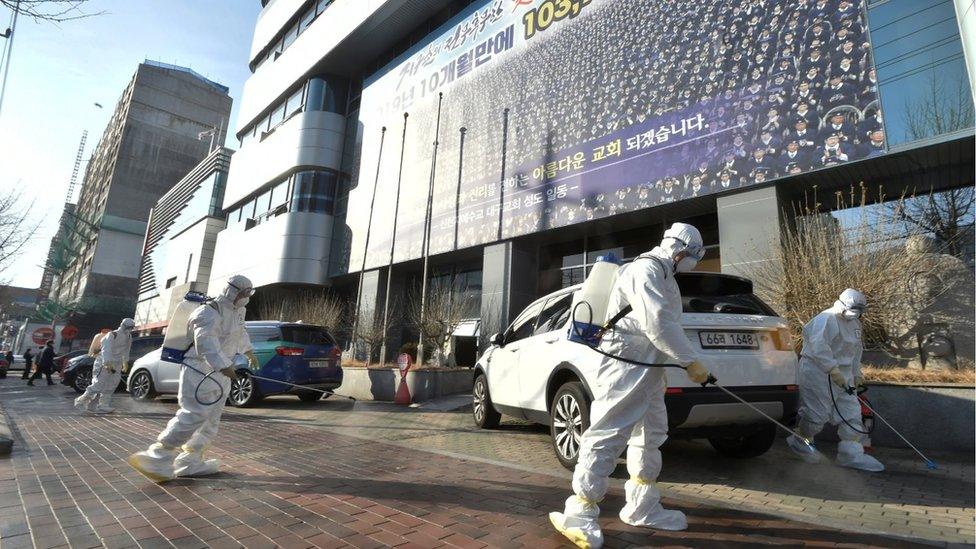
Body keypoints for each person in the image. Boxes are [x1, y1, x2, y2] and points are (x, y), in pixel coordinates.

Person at [550, 223, 714, 548]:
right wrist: (689, 361)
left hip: (647, 365)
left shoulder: (665, 273)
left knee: (651, 432)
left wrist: (679, 361)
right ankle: (579, 511)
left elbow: (662, 324)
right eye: (694, 257)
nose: (692, 263)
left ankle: (642, 505)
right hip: (625, 362)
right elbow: (657, 322)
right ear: (681, 252)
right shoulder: (646, 270)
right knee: (610, 431)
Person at [128, 275, 258, 482]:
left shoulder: (238, 312)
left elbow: (239, 334)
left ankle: (191, 460)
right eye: (244, 293)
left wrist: (248, 351)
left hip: (221, 372)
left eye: (249, 293)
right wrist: (224, 366)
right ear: (232, 291)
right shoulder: (207, 312)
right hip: (198, 369)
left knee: (211, 419)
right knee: (194, 414)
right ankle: (157, 455)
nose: (246, 297)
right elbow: (206, 343)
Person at [786, 289, 884, 472]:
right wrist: (832, 369)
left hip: (844, 374)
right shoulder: (827, 318)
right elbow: (818, 347)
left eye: (859, 310)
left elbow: (855, 351)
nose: (855, 313)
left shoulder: (855, 323)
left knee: (852, 415)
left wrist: (856, 374)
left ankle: (851, 455)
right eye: (853, 308)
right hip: (818, 372)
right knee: (816, 415)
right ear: (843, 303)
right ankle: (801, 443)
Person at [74, 319, 135, 414]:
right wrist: (107, 363)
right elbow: (106, 349)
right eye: (128, 327)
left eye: (131, 328)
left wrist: (125, 362)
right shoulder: (112, 335)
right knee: (98, 384)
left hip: (117, 363)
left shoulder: (129, 336)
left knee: (112, 384)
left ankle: (103, 405)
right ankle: (81, 402)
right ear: (123, 325)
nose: (129, 329)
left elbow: (126, 350)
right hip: (104, 362)